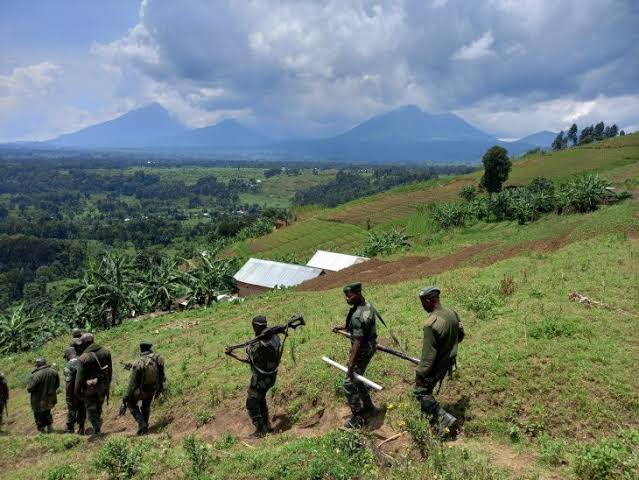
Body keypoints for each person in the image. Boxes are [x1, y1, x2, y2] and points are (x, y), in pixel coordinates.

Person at [414, 286, 465, 436]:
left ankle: (445, 419)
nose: (422, 306)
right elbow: (460, 336)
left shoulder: (431, 324)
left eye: (423, 302)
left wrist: (420, 373)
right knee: (426, 392)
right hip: (448, 361)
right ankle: (428, 425)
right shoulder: (452, 314)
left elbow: (428, 357)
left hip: (437, 365)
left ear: (429, 300)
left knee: (421, 392)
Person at [332, 282, 380, 428]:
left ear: (358, 294)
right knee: (358, 379)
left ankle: (358, 418)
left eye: (350, 296)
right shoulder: (366, 306)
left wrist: (351, 364)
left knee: (348, 382)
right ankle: (369, 407)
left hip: (363, 350)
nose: (347, 299)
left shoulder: (357, 316)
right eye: (346, 296)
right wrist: (343, 327)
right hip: (371, 345)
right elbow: (360, 326)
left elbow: (357, 343)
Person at [225, 315, 282, 438]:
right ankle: (267, 425)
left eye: (253, 326)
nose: (253, 329)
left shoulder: (258, 344)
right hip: (271, 377)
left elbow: (249, 360)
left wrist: (232, 354)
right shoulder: (275, 338)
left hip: (260, 379)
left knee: (251, 402)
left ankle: (260, 430)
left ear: (257, 326)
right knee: (260, 399)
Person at [123, 340, 165, 435]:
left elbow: (132, 384)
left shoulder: (139, 362)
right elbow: (162, 374)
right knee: (146, 406)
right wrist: (160, 388)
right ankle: (145, 425)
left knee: (131, 403)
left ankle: (142, 424)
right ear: (149, 348)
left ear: (141, 349)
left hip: (142, 390)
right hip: (153, 388)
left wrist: (125, 397)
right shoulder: (157, 358)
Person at [75, 333, 112, 438]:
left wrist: (77, 392)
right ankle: (97, 427)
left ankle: (96, 430)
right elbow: (110, 372)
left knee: (91, 409)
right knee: (99, 406)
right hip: (102, 386)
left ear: (85, 343)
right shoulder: (106, 352)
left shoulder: (83, 358)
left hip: (89, 388)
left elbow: (79, 378)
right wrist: (107, 385)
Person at [27, 358, 60, 433]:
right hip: (50, 398)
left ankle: (41, 431)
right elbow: (57, 385)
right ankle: (50, 428)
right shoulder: (54, 372)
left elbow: (29, 388)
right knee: (47, 412)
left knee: (38, 415)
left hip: (38, 400)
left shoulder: (35, 375)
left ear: (37, 365)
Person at [63, 339, 86, 434]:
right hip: (84, 391)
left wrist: (68, 395)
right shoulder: (82, 360)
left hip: (72, 392)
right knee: (82, 408)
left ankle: (70, 429)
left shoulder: (69, 365)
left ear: (68, 355)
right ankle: (81, 427)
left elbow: (68, 382)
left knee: (71, 409)